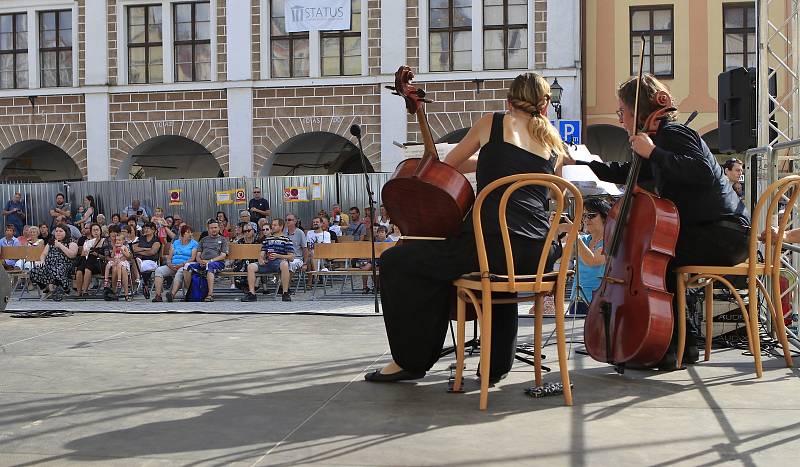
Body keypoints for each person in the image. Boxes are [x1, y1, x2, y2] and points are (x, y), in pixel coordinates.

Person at [366, 72, 565, 383]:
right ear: (545, 105)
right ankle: (495, 368)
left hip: (494, 246)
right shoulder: (553, 141)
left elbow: (448, 166)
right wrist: (487, 159)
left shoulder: (493, 122)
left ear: (508, 101)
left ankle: (410, 360)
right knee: (497, 274)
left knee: (397, 262)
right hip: (538, 252)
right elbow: (552, 193)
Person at [566, 73, 750, 370]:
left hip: (724, 234)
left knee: (659, 262)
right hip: (710, 233)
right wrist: (579, 163)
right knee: (658, 259)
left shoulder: (675, 134)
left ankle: (672, 347)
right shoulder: (659, 143)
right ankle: (678, 347)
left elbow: (701, 171)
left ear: (638, 112)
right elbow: (626, 172)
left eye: (622, 113)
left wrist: (652, 152)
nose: (621, 119)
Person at [556, 198, 610, 315]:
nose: (586, 219)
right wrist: (554, 231)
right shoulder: (583, 240)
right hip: (577, 299)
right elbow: (557, 256)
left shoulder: (610, 242)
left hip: (599, 301)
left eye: (591, 215)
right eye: (584, 216)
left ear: (605, 218)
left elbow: (592, 260)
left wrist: (575, 234)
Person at [242, 218, 294, 302]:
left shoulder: (286, 239)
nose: (272, 227)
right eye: (272, 225)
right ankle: (252, 294)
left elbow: (291, 257)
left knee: (285, 264)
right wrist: (260, 259)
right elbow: (262, 252)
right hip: (268, 263)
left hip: (279, 263)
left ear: (281, 227)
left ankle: (285, 293)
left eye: (275, 225)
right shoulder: (267, 239)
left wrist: (278, 256)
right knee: (251, 266)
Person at [29, 224, 78, 301]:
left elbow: (72, 255)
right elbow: (44, 254)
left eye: (60, 231)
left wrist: (60, 245)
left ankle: (66, 289)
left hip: (64, 264)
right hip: (49, 265)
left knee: (56, 271)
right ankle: (46, 290)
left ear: (66, 232)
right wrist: (42, 261)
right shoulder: (51, 242)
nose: (58, 233)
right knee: (34, 271)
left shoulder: (71, 242)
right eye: (56, 231)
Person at [183, 220, 229, 302]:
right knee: (187, 266)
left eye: (215, 227)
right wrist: (200, 261)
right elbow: (198, 255)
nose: (213, 229)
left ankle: (210, 295)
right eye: (211, 228)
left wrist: (209, 261)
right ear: (208, 229)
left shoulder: (223, 240)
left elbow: (223, 255)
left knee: (209, 266)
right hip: (202, 262)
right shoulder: (203, 240)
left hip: (217, 263)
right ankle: (191, 292)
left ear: (219, 228)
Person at [153, 225, 198, 302]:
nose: (191, 234)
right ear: (183, 233)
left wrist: (181, 264)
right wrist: (169, 264)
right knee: (158, 270)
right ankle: (158, 296)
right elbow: (169, 257)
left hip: (184, 265)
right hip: (173, 265)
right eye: (188, 232)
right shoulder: (176, 243)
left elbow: (192, 258)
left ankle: (172, 295)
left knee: (179, 272)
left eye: (191, 232)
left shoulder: (194, 243)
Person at [132, 221, 161, 299]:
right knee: (135, 260)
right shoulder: (141, 238)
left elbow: (152, 252)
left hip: (151, 261)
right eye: (145, 228)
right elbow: (134, 249)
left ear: (154, 230)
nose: (146, 230)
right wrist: (145, 249)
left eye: (148, 228)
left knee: (135, 263)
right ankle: (139, 281)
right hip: (140, 260)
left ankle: (140, 282)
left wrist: (140, 251)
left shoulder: (156, 240)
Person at [76, 223, 107, 297]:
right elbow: (82, 255)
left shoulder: (104, 241)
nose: (96, 232)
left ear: (100, 231)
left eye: (97, 230)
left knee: (87, 268)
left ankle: (85, 291)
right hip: (88, 260)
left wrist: (97, 254)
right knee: (79, 270)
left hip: (98, 262)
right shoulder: (87, 242)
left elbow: (106, 256)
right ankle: (79, 292)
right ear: (91, 232)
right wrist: (85, 252)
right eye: (94, 230)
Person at [360, 225, 392, 293]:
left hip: (385, 261)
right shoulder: (376, 242)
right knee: (365, 269)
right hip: (375, 260)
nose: (380, 234)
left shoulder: (389, 242)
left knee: (376, 268)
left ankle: (377, 286)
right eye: (379, 232)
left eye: (382, 232)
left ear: (386, 233)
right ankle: (365, 287)